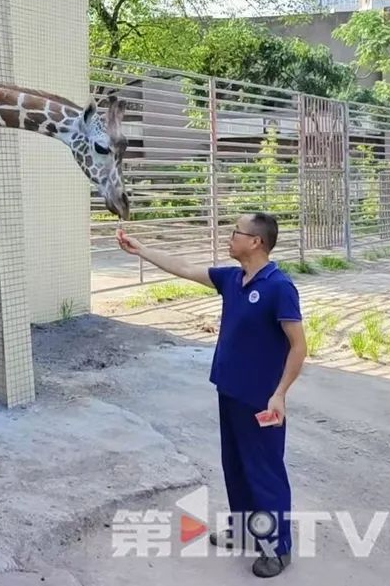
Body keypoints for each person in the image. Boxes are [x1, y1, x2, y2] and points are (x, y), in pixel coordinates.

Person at [116, 212, 306, 578]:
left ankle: (278, 549)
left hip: (260, 400)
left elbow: (298, 347)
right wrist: (141, 249)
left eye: (237, 231)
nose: (229, 236)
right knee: (234, 467)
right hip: (230, 390)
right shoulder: (233, 278)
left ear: (256, 242)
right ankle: (244, 529)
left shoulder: (279, 287)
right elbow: (185, 269)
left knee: (264, 472)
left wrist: (280, 394)